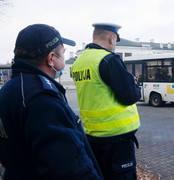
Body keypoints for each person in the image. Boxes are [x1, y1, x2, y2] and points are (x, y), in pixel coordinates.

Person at [0, 24, 103, 180]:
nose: (64, 58)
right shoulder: (43, 99)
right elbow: (70, 169)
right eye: (62, 53)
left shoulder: (9, 89)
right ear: (51, 58)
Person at [71, 23, 141, 180]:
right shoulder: (108, 60)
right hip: (117, 138)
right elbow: (130, 96)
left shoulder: (78, 63)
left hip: (93, 136)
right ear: (111, 38)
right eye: (115, 41)